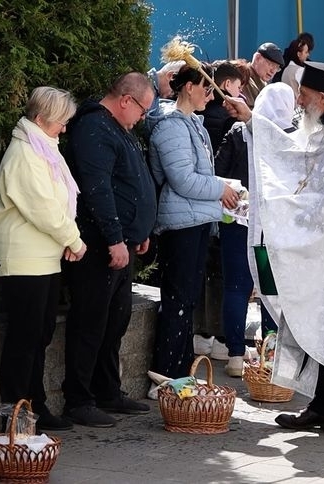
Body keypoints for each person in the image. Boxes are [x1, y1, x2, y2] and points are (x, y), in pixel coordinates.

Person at [225, 61, 324, 433]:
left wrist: (277, 209)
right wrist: (253, 119)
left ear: (323, 98)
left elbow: (321, 194)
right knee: (317, 322)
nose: (298, 101)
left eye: (304, 95)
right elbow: (297, 153)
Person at [60, 72, 157, 428]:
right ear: (126, 100)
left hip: (121, 243)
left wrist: (138, 232)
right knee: (90, 321)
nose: (143, 118)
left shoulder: (118, 128)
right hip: (98, 246)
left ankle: (107, 389)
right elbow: (97, 188)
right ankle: (79, 399)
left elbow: (128, 183)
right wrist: (115, 238)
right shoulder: (94, 128)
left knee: (115, 320)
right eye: (143, 110)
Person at [0, 86, 85, 433]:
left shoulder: (41, 146)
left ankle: (34, 406)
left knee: (38, 336)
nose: (65, 128)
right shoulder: (25, 153)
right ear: (42, 119)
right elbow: (43, 208)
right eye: (61, 121)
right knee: (25, 339)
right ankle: (16, 415)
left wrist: (67, 238)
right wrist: (74, 240)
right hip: (24, 259)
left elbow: (56, 203)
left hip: (42, 257)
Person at [145, 63, 240, 380]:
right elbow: (183, 179)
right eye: (206, 89)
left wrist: (220, 188)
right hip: (181, 224)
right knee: (178, 300)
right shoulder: (171, 127)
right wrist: (220, 189)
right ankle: (165, 373)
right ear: (189, 87)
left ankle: (179, 372)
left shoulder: (191, 124)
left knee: (187, 300)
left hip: (195, 219)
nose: (210, 96)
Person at [213, 83, 296, 377]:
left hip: (239, 221)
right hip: (275, 228)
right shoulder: (290, 137)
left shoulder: (239, 132)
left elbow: (218, 171)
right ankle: (269, 359)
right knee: (271, 291)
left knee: (236, 288)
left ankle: (236, 355)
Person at [200, 60, 245, 151]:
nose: (240, 93)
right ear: (227, 84)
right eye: (238, 87)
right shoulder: (231, 115)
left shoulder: (197, 105)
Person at [242, 43, 284, 107]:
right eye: (271, 64)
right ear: (257, 58)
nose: (273, 71)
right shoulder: (243, 79)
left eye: (277, 67)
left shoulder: (265, 85)